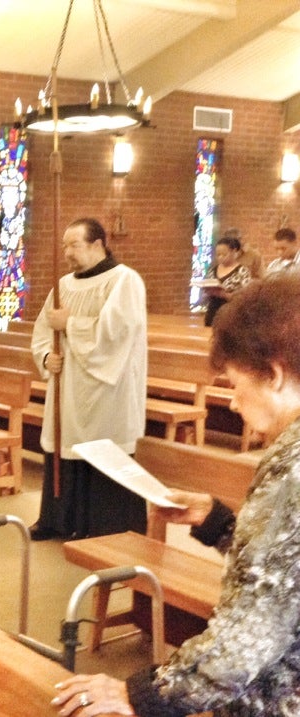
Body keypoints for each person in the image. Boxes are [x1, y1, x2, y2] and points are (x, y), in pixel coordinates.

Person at [53, 276, 300, 717]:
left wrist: (145, 693)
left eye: (234, 384)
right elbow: (289, 571)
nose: (234, 405)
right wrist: (220, 523)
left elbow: (248, 638)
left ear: (275, 375)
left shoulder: (291, 467)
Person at [29, 218, 148, 541]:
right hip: (67, 389)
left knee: (101, 451)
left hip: (107, 393)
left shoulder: (125, 281)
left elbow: (116, 334)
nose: (67, 252)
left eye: (74, 245)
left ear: (98, 244)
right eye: (65, 245)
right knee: (64, 449)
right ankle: (58, 520)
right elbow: (42, 332)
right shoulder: (64, 285)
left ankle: (107, 528)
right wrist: (45, 357)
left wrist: (71, 324)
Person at [203, 235, 252, 327]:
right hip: (213, 311)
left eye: (224, 254)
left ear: (234, 252)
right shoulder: (213, 270)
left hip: (231, 313)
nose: (220, 257)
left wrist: (225, 295)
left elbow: (246, 297)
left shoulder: (242, 271)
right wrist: (207, 292)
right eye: (218, 255)